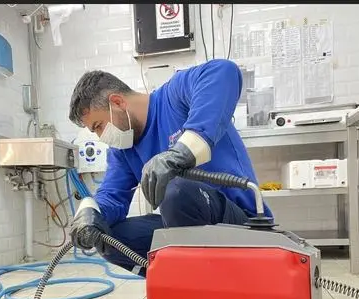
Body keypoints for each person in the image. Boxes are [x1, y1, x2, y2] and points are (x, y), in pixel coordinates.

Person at [68, 58, 273, 277]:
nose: (102, 136)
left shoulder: (172, 97)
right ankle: (179, 283)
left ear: (117, 102)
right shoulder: (123, 151)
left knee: (176, 191)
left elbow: (223, 71)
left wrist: (183, 151)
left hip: (240, 224)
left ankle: (197, 283)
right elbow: (112, 196)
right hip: (189, 228)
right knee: (107, 238)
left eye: (99, 126)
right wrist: (91, 214)